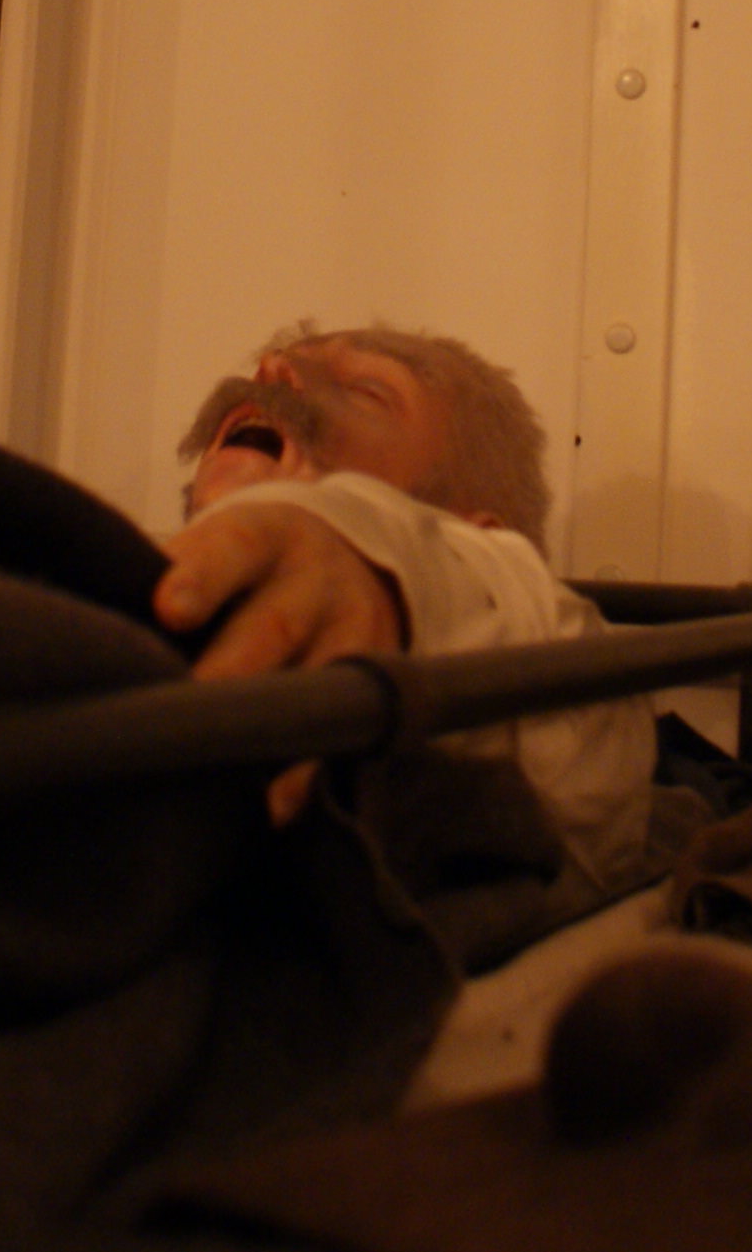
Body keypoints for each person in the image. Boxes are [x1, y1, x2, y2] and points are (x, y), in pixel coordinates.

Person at [156, 321, 656, 882]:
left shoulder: (518, 607)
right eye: (267, 367)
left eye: (365, 391)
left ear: (475, 535)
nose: (271, 371)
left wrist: (368, 553)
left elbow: (538, 631)